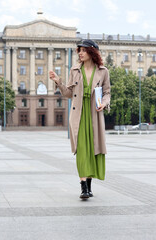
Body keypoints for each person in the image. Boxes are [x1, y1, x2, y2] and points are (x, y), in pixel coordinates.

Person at [49, 39, 110, 199]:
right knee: (82, 150)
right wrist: (58, 82)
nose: (80, 53)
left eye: (83, 50)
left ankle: (89, 186)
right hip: (79, 114)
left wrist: (104, 103)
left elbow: (107, 92)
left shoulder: (103, 71)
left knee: (93, 150)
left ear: (92, 52)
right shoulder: (75, 70)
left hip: (95, 113)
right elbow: (68, 94)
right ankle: (83, 187)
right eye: (79, 50)